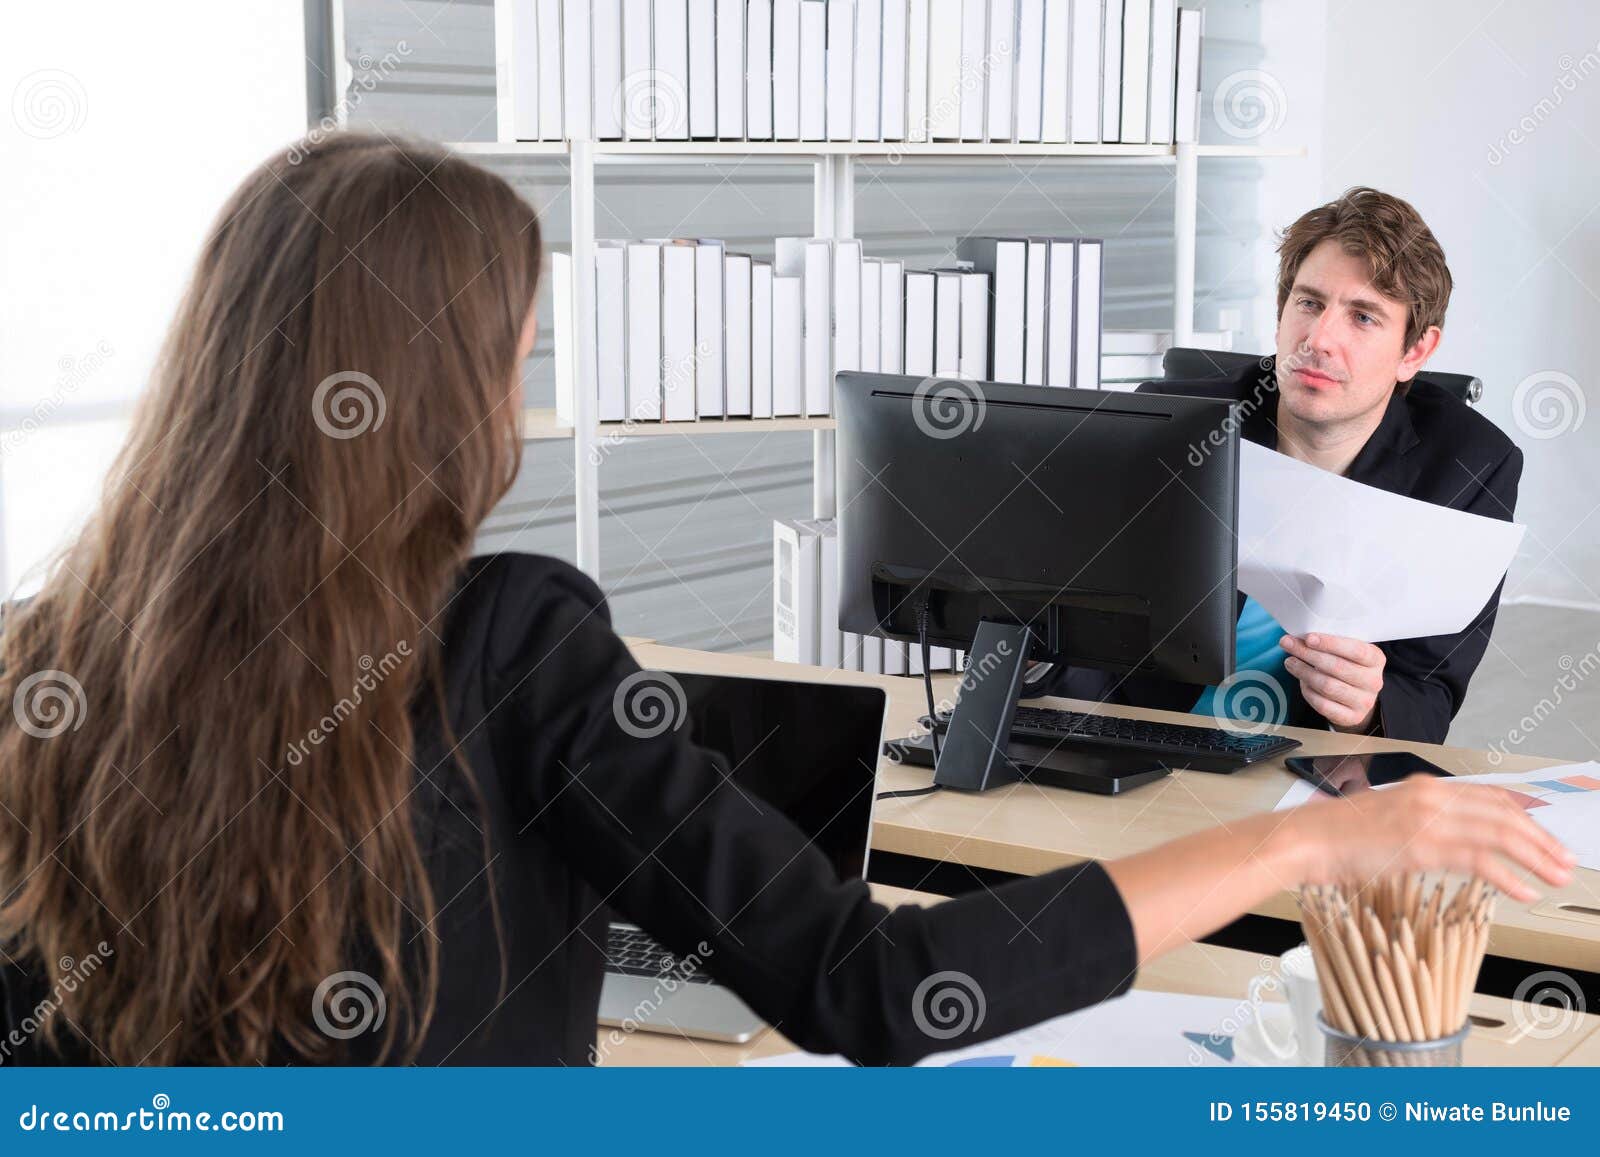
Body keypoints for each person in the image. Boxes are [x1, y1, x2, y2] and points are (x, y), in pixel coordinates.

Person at [0, 138, 1571, 1067]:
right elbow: (870, 986)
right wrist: (1304, 847)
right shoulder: (508, 640)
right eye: (515, 354)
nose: (519, 397)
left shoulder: (35, 670)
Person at [1036, 188, 1519, 745]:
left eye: (1363, 317)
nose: (1318, 340)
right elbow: (1082, 633)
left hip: (1313, 777)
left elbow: (1432, 694)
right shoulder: (1173, 424)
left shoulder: (1469, 466)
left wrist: (1365, 708)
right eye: (1309, 303)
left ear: (1415, 352)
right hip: (1145, 749)